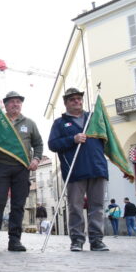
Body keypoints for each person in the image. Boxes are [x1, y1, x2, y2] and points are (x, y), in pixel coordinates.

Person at [48, 87, 109, 251]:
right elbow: (52, 145)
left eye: (79, 98)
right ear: (66, 103)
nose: (77, 101)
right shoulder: (60, 123)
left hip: (97, 167)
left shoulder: (94, 119)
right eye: (72, 99)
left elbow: (108, 139)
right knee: (75, 207)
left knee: (97, 206)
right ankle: (77, 240)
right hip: (74, 170)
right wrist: (72, 139)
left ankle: (97, 240)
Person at [0, 91, 43, 252]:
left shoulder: (29, 123)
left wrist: (36, 159)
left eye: (18, 102)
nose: (16, 104)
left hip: (22, 168)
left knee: (18, 205)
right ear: (6, 104)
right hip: (1, 166)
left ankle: (15, 240)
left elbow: (38, 144)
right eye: (12, 102)